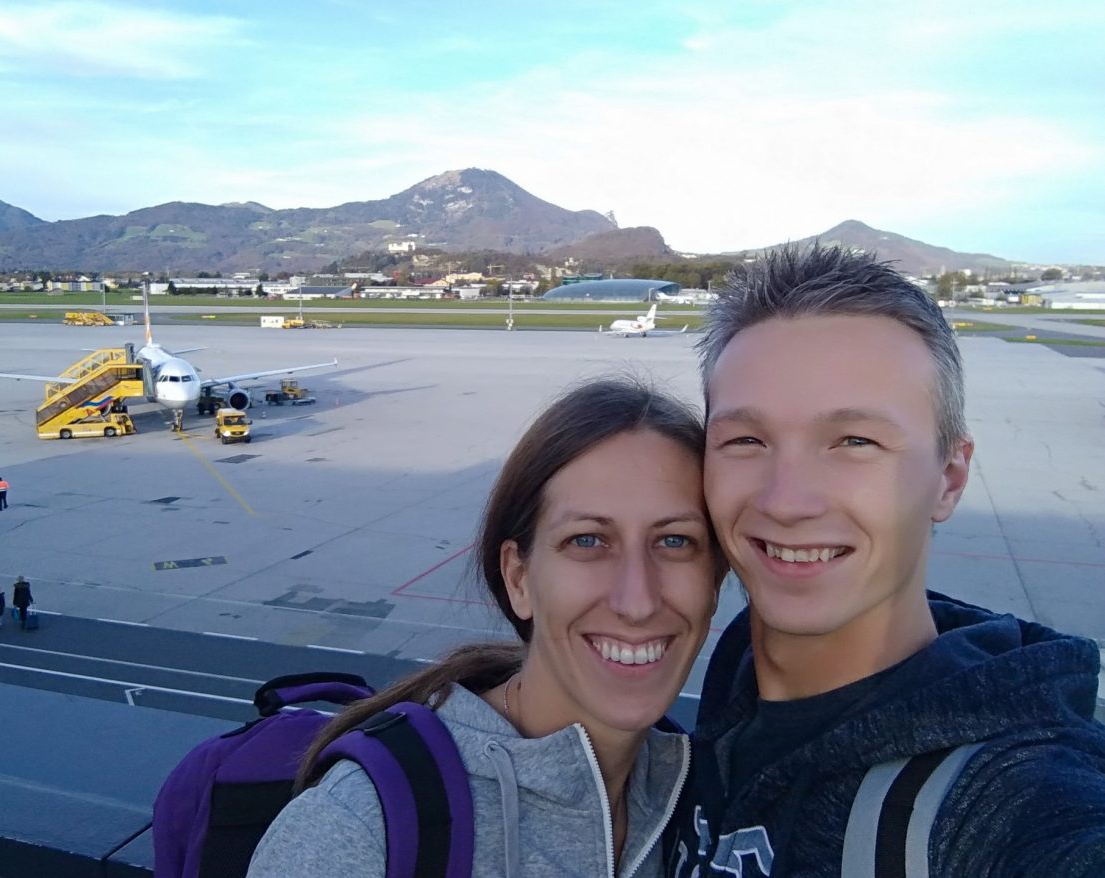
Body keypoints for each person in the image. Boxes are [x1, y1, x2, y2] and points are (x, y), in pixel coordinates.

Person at [668, 243, 1105, 877]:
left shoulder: (1011, 800)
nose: (786, 501)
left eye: (854, 441)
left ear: (949, 478)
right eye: (746, 440)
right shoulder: (727, 699)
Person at [249, 377, 729, 877]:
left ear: (715, 580)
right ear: (518, 577)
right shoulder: (358, 832)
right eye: (587, 541)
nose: (637, 601)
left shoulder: (703, 802)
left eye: (675, 541)